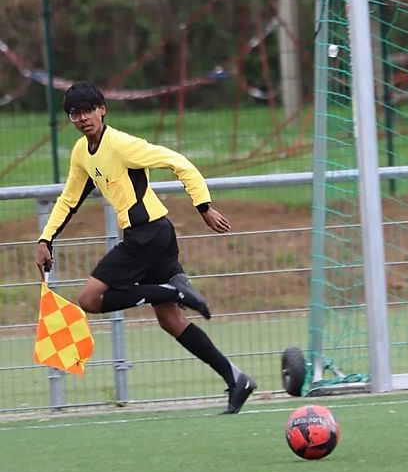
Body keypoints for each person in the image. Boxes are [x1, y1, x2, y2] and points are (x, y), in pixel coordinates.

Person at [35, 81, 257, 414]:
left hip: (147, 234)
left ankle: (174, 291)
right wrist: (45, 238)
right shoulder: (82, 152)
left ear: (102, 109)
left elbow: (178, 161)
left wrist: (204, 206)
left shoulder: (122, 145)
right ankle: (236, 378)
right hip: (151, 235)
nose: (82, 119)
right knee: (170, 320)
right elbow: (70, 199)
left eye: (87, 111)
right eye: (74, 113)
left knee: (89, 299)